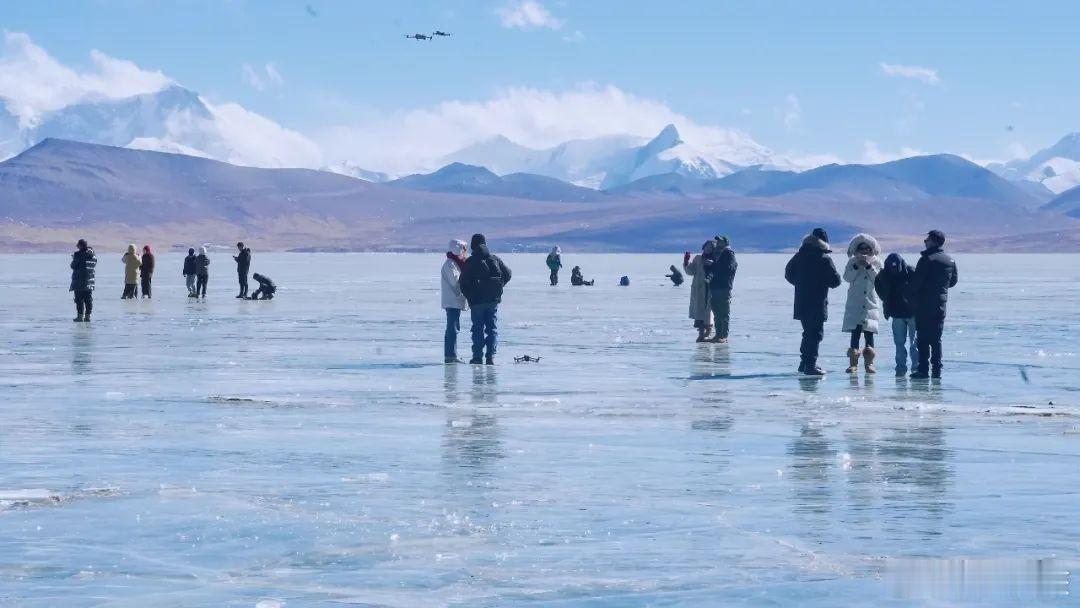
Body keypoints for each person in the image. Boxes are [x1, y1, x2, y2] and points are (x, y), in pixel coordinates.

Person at [784, 228, 842, 376]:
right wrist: (820, 283)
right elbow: (835, 281)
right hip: (817, 302)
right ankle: (810, 365)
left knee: (808, 333)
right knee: (815, 334)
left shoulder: (799, 256)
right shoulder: (823, 258)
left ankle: (804, 363)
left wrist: (801, 284)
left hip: (802, 302)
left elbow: (788, 274)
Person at [906, 230, 958, 379]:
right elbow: (952, 282)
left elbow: (917, 283)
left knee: (922, 337)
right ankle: (937, 370)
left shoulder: (927, 259)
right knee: (936, 339)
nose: (925, 241)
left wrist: (906, 293)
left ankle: (923, 369)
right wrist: (940, 288)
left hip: (924, 305)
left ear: (933, 241)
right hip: (941, 305)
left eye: (927, 239)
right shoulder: (950, 260)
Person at [459, 234, 512, 365]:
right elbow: (508, 274)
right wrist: (498, 287)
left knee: (477, 329)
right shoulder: (494, 259)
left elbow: (463, 283)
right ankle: (490, 357)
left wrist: (470, 297)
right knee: (492, 329)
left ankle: (477, 357)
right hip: (493, 301)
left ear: (473, 245)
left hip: (477, 302)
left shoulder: (471, 262)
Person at [841, 234, 883, 373]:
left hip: (870, 302)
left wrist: (869, 266)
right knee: (855, 332)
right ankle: (853, 363)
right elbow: (847, 277)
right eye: (861, 248)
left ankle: (869, 363)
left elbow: (879, 279)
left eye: (867, 248)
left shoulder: (877, 262)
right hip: (855, 302)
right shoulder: (852, 262)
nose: (864, 251)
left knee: (869, 332)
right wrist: (856, 266)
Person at [875, 253, 919, 377]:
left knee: (914, 343)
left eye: (896, 266)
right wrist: (886, 300)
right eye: (891, 266)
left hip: (913, 314)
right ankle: (900, 368)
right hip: (897, 314)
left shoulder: (911, 272)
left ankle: (916, 367)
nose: (894, 269)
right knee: (899, 343)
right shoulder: (884, 275)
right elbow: (878, 286)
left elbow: (921, 287)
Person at [704, 235, 738, 343]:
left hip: (724, 287)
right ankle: (718, 334)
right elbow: (714, 270)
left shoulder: (729, 254)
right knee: (717, 312)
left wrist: (714, 264)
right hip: (715, 287)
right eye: (717, 241)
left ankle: (723, 335)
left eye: (720, 241)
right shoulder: (717, 254)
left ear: (725, 242)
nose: (718, 243)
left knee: (723, 312)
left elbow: (728, 268)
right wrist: (709, 265)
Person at [441, 239, 469, 364]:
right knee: (452, 327)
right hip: (452, 301)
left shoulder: (455, 263)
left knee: (453, 327)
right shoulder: (450, 264)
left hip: (455, 300)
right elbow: (455, 282)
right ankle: (451, 355)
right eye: (464, 249)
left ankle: (451, 354)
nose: (465, 252)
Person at [684, 241, 715, 342]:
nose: (708, 249)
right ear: (703, 247)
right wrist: (686, 262)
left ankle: (708, 331)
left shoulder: (716, 259)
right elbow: (690, 271)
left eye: (711, 247)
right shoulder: (698, 259)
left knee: (709, 312)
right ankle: (701, 332)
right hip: (699, 289)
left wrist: (712, 265)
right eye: (707, 246)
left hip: (710, 289)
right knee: (699, 312)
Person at [69, 239, 97, 322]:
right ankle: (88, 316)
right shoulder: (93, 256)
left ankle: (80, 316)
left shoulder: (78, 255)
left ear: (81, 246)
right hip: (89, 281)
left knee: (79, 299)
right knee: (88, 299)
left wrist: (74, 258)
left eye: (78, 245)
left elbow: (73, 266)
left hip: (79, 281)